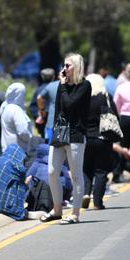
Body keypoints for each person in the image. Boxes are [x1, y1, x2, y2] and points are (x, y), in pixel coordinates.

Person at [40, 53, 91, 225]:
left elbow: (70, 105)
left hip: (76, 134)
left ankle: (75, 213)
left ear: (76, 67)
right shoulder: (62, 86)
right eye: (64, 65)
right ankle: (57, 209)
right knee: (52, 171)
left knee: (75, 175)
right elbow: (59, 109)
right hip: (60, 133)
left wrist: (62, 86)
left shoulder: (84, 85)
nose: (64, 69)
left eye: (68, 65)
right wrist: (54, 130)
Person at [83, 74, 117, 210]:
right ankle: (97, 202)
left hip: (86, 138)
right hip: (103, 138)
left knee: (86, 169)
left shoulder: (83, 98)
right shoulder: (106, 97)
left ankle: (85, 193)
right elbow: (115, 116)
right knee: (101, 171)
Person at [0, 83, 33, 152]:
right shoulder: (16, 110)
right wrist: (30, 138)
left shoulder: (4, 106)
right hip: (17, 151)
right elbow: (23, 132)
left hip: (7, 148)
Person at [30, 68, 55, 138]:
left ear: (42, 77)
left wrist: (38, 116)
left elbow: (32, 106)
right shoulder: (57, 88)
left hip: (42, 121)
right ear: (53, 76)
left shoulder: (38, 90)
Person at [37, 72, 60, 143]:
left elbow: (39, 98)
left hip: (51, 122)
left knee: (50, 149)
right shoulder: (76, 86)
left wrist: (42, 111)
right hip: (69, 127)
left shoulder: (52, 85)